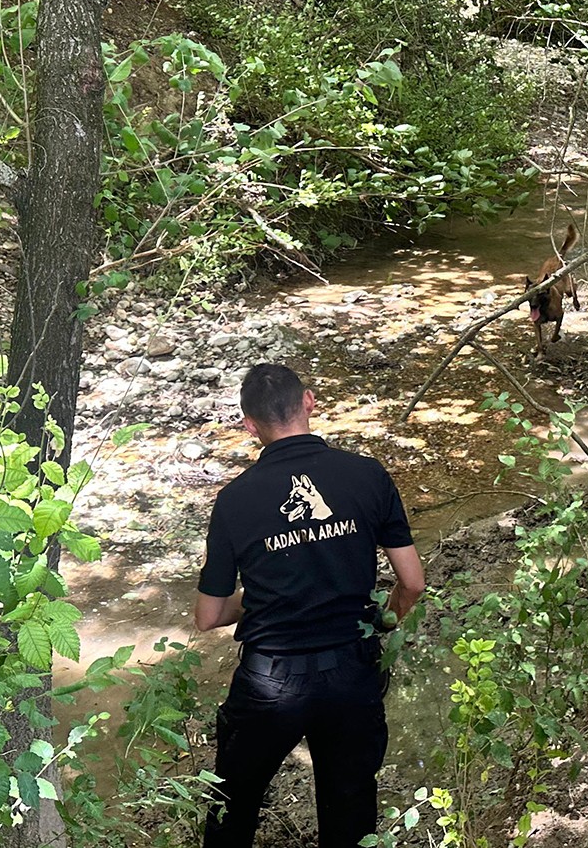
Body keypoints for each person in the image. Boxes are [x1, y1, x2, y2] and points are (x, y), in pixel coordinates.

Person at [194, 362, 426, 848]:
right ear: (310, 402)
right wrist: (385, 619)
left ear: (249, 426)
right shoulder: (366, 475)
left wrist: (260, 598)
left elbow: (208, 616)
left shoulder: (234, 500)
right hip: (350, 671)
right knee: (350, 815)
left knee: (231, 813)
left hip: (269, 681)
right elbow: (412, 583)